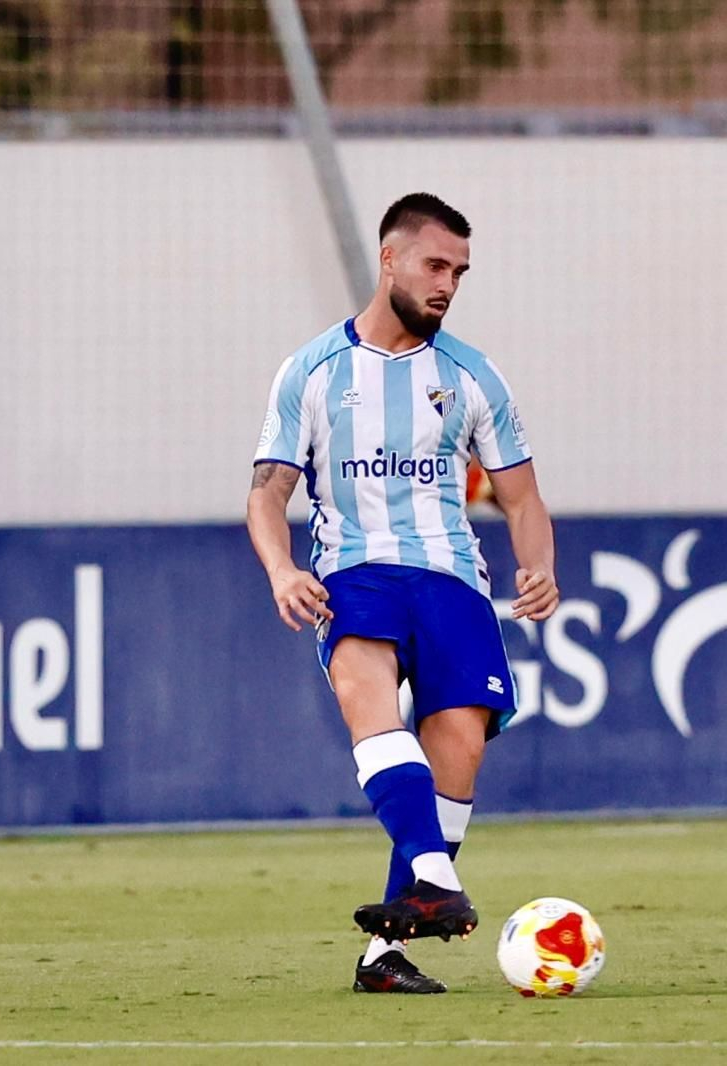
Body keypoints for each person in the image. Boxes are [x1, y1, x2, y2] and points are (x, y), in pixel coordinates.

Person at [246, 192, 559, 994]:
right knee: (369, 698)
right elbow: (268, 491)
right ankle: (431, 874)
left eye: (459, 271)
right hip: (354, 573)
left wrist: (539, 566)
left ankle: (384, 954)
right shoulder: (312, 371)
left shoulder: (472, 375)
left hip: (453, 579)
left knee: (460, 746)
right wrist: (284, 570)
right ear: (389, 260)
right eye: (435, 265)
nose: (448, 283)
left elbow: (522, 497)